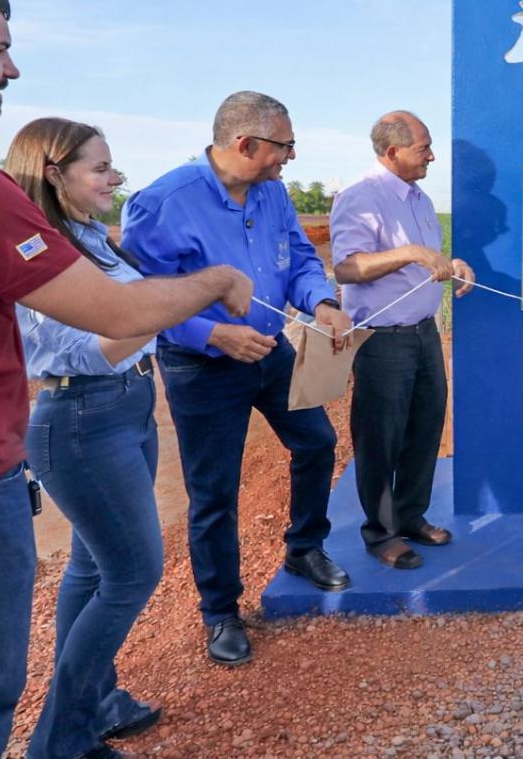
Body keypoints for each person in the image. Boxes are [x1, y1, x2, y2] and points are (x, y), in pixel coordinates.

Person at [0, 0, 251, 759]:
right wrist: (216, 282)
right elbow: (112, 315)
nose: (10, 69)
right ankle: (63, 736)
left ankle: (83, 711)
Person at [121, 90, 352, 667]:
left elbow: (298, 257)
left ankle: (304, 548)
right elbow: (141, 298)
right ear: (245, 144)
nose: (289, 158)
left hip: (270, 350)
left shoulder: (272, 193)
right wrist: (213, 334)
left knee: (318, 442)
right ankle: (220, 611)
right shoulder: (163, 202)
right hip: (201, 367)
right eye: (285, 146)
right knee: (215, 492)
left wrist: (321, 301)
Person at [7, 119, 166, 758]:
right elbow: (86, 351)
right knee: (133, 572)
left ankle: (96, 702)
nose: (115, 178)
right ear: (54, 173)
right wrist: (174, 302)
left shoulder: (90, 238)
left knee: (92, 564)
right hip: (81, 418)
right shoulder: (38, 252)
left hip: (128, 406)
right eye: (99, 168)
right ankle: (58, 743)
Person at [330, 111, 473, 569]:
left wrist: (451, 264)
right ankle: (380, 532)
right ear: (393, 152)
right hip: (381, 340)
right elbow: (347, 268)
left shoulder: (420, 199)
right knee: (381, 438)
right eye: (424, 147)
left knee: (425, 427)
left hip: (424, 334)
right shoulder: (359, 197)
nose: (431, 155)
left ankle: (412, 516)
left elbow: (424, 262)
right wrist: (412, 252)